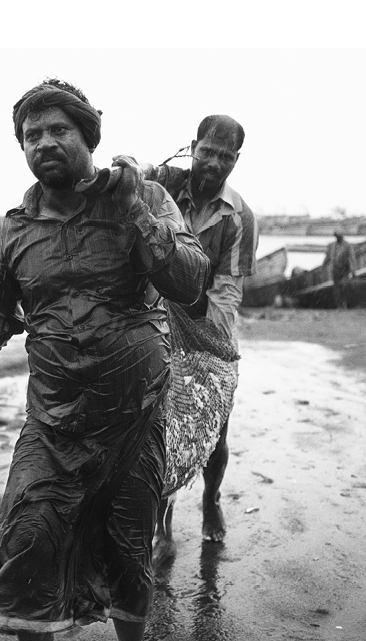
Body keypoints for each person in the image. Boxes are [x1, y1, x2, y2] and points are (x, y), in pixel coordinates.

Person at [0, 79, 208, 641]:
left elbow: (189, 282)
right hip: (53, 425)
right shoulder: (13, 232)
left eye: (59, 130)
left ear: (89, 138)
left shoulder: (146, 198)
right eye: (32, 135)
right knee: (27, 539)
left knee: (130, 552)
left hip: (135, 421)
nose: (44, 142)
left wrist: (134, 210)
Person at [142, 114, 256, 545]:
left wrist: (209, 347)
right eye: (207, 152)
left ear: (236, 160)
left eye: (224, 157)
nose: (213, 163)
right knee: (156, 422)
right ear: (193, 146)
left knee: (214, 427)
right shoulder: (165, 186)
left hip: (207, 324)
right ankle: (161, 518)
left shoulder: (239, 216)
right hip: (155, 317)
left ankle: (211, 499)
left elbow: (228, 290)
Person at [323, 231, 357, 309]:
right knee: (336, 287)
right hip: (335, 269)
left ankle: (344, 302)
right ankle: (338, 304)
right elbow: (327, 257)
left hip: (345, 269)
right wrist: (323, 266)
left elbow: (352, 258)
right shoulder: (332, 246)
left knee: (345, 286)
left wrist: (353, 270)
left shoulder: (347, 245)